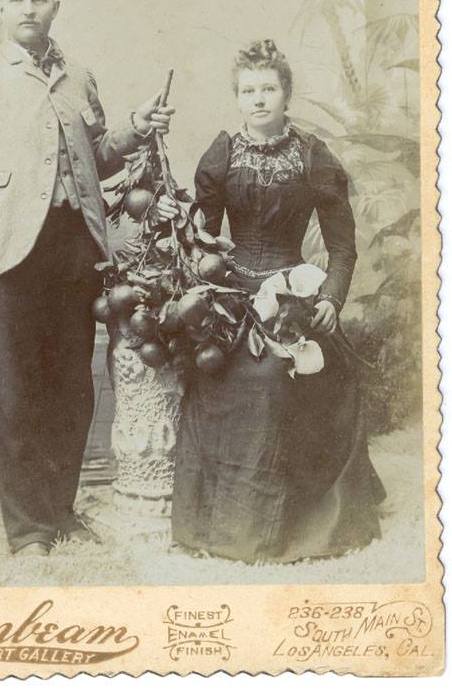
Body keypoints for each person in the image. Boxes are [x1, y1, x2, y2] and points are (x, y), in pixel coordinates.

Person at [0, 0, 173, 557]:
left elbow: (97, 157)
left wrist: (135, 127)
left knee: (72, 388)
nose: (28, 9)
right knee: (18, 391)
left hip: (76, 249)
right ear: (1, 9)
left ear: (55, 8)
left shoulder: (78, 78)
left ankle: (61, 512)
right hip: (10, 252)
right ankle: (28, 531)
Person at [159, 39, 384, 565]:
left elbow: (342, 247)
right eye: (248, 91)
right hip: (233, 295)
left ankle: (296, 521)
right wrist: (178, 221)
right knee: (225, 375)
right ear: (237, 98)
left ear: (286, 94)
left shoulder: (312, 156)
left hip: (296, 293)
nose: (258, 99)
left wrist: (331, 298)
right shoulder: (221, 155)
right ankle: (223, 520)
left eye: (268, 88)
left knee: (286, 378)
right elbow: (202, 241)